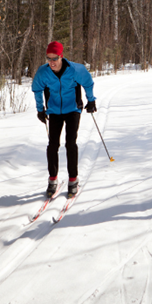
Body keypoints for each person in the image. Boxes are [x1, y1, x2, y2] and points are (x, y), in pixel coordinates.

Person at [32, 41, 97, 197]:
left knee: (70, 143)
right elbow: (37, 89)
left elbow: (88, 83)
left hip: (73, 109)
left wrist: (91, 100)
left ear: (61, 56)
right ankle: (53, 179)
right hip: (54, 110)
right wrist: (40, 109)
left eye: (55, 58)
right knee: (53, 144)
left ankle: (73, 179)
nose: (51, 62)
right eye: (49, 58)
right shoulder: (43, 72)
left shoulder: (75, 69)